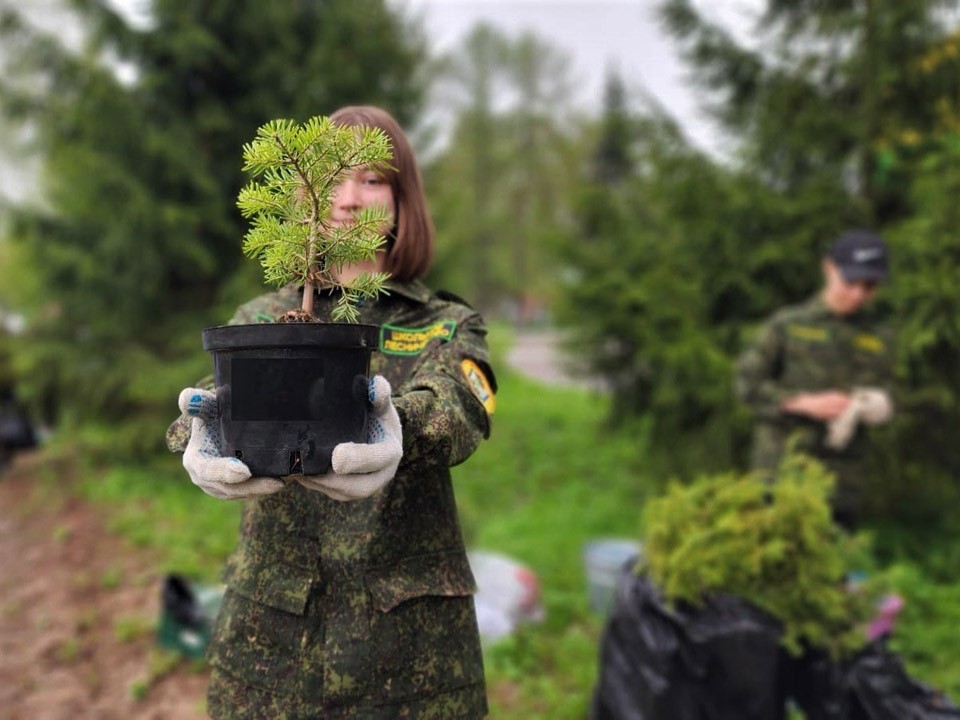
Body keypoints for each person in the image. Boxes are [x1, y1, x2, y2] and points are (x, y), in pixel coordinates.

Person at [166, 105, 497, 718]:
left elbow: (459, 404)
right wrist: (196, 429)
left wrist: (401, 424)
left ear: (402, 201)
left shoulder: (444, 323)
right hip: (274, 644)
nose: (348, 198)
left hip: (415, 650)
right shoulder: (263, 319)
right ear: (304, 196)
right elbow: (212, 401)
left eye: (372, 179)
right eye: (332, 178)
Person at [734, 229, 896, 530]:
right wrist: (802, 403)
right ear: (829, 269)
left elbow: (889, 390)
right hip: (780, 477)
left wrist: (879, 405)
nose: (858, 294)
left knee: (834, 573)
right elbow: (746, 386)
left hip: (841, 485)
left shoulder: (880, 336)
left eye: (870, 286)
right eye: (850, 282)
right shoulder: (788, 325)